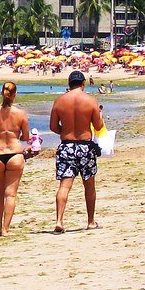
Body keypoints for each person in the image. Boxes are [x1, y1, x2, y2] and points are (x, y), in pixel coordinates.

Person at [49, 71, 105, 233]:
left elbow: (53, 126)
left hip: (67, 146)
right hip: (85, 146)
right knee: (89, 185)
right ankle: (91, 221)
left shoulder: (59, 101)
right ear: (83, 84)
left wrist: (66, 132)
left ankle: (59, 221)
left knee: (64, 185)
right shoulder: (90, 100)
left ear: (69, 84)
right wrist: (100, 116)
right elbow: (98, 126)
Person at [0, 81, 31, 236]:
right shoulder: (21, 113)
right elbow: (26, 136)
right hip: (15, 154)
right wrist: (17, 138)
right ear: (15, 94)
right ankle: (6, 229)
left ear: (1, 93)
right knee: (10, 194)